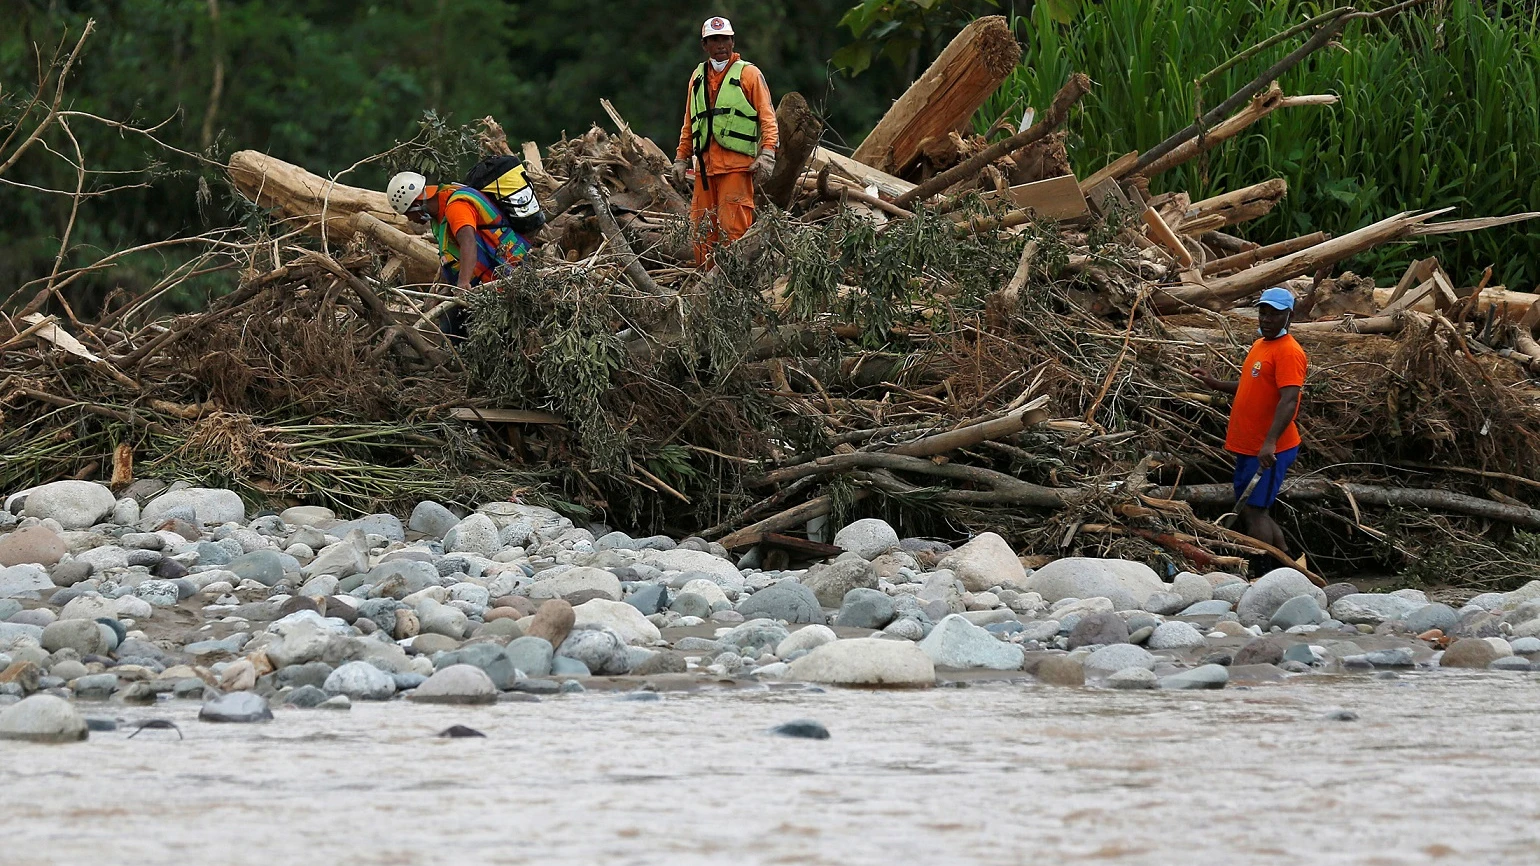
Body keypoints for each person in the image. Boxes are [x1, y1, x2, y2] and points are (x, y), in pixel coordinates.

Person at [1191, 287, 1308, 559]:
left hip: (1269, 449)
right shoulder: (1260, 345)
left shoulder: (1289, 352)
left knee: (1255, 512)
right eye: (1263, 312)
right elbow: (1252, 385)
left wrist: (1269, 443)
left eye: (1275, 314)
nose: (1266, 319)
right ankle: (1287, 565)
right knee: (1254, 511)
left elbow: (1289, 400)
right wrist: (1216, 383)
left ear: (1288, 316)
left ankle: (1263, 571)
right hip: (1250, 445)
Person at [671, 16, 779, 266]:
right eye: (714, 40)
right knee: (701, 233)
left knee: (735, 231)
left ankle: (736, 289)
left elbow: (767, 117)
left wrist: (767, 153)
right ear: (704, 45)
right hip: (705, 171)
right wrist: (680, 158)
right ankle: (706, 290)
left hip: (737, 168)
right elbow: (690, 122)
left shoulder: (750, 74)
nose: (720, 45)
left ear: (732, 41)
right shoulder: (697, 77)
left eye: (725, 39)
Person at [386, 170, 531, 337]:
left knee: (459, 329)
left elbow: (468, 242)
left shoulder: (456, 207)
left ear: (417, 204)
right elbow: (450, 255)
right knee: (452, 326)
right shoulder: (439, 214)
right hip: (484, 282)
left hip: (502, 280)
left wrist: (462, 285)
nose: (410, 220)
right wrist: (443, 290)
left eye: (409, 214)